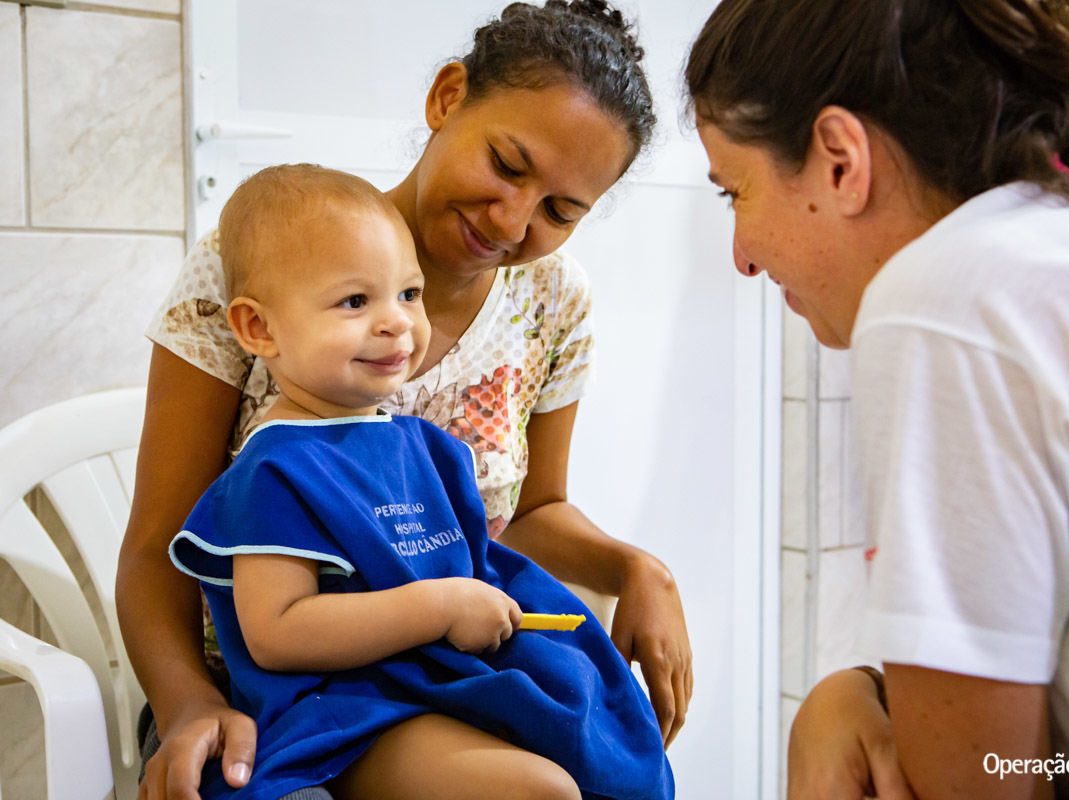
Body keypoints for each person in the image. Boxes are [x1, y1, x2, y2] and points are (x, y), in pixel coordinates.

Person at [117, 4, 692, 800]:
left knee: (598, 754)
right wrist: (188, 703)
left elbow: (528, 512)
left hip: (449, 675)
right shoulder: (262, 265)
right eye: (507, 165)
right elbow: (157, 547)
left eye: (561, 211)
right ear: (447, 98)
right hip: (263, 697)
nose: (513, 220)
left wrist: (639, 571)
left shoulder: (553, 300)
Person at [685, 1, 1069, 799]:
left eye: (735, 193)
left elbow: (986, 785)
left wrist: (839, 707)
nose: (742, 256)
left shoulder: (949, 297)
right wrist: (854, 691)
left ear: (839, 160)